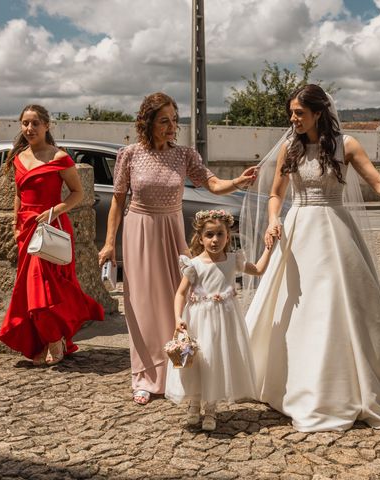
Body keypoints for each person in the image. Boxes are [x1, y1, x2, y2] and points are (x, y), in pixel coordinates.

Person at [243, 84, 380, 432]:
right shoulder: (288, 148)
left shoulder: (347, 145)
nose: (293, 119)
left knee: (340, 305)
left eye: (299, 113)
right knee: (295, 307)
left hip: (336, 231)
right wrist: (274, 220)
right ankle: (291, 384)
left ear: (319, 113)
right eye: (291, 112)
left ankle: (353, 384)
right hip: (297, 233)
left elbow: (379, 183)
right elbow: (276, 196)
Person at [98, 93, 257, 405]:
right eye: (164, 121)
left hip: (172, 231)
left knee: (181, 301)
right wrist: (108, 243)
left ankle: (180, 372)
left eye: (175, 120)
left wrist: (238, 180)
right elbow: (118, 200)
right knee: (142, 306)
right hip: (139, 230)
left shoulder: (185, 155)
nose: (172, 127)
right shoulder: (129, 154)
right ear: (148, 123)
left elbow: (212, 184)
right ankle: (144, 377)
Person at [0, 105, 104, 366]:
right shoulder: (18, 157)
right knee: (29, 289)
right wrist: (15, 226)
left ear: (47, 126)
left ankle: (55, 338)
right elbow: (18, 195)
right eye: (25, 123)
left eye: (35, 123)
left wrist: (53, 211)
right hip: (26, 229)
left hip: (51, 227)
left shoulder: (59, 157)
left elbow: (77, 193)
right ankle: (44, 340)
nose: (29, 129)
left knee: (46, 287)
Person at [165, 209, 273, 431]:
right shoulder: (193, 264)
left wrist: (270, 249)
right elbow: (180, 293)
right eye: (209, 235)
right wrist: (177, 318)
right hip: (198, 320)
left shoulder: (233, 260)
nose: (215, 240)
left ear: (228, 236)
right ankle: (194, 404)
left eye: (220, 235)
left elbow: (259, 270)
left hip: (224, 322)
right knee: (197, 360)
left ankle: (211, 408)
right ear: (201, 237)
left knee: (215, 360)